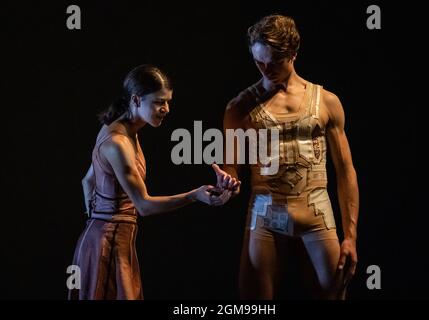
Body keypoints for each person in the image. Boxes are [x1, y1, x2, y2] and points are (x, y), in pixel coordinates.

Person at [69, 64, 240, 300]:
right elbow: (144, 205)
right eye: (159, 102)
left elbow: (87, 181)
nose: (166, 109)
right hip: (107, 247)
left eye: (168, 101)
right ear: (137, 100)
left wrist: (97, 221)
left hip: (112, 241)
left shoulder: (126, 130)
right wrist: (194, 195)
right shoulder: (118, 142)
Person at [219, 14, 359, 299]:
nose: (265, 69)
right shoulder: (240, 107)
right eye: (258, 62)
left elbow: (345, 170)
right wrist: (227, 181)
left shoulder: (326, 102)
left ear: (293, 54)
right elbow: (231, 167)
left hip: (316, 212)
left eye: (273, 63)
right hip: (267, 213)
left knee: (335, 294)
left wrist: (351, 236)